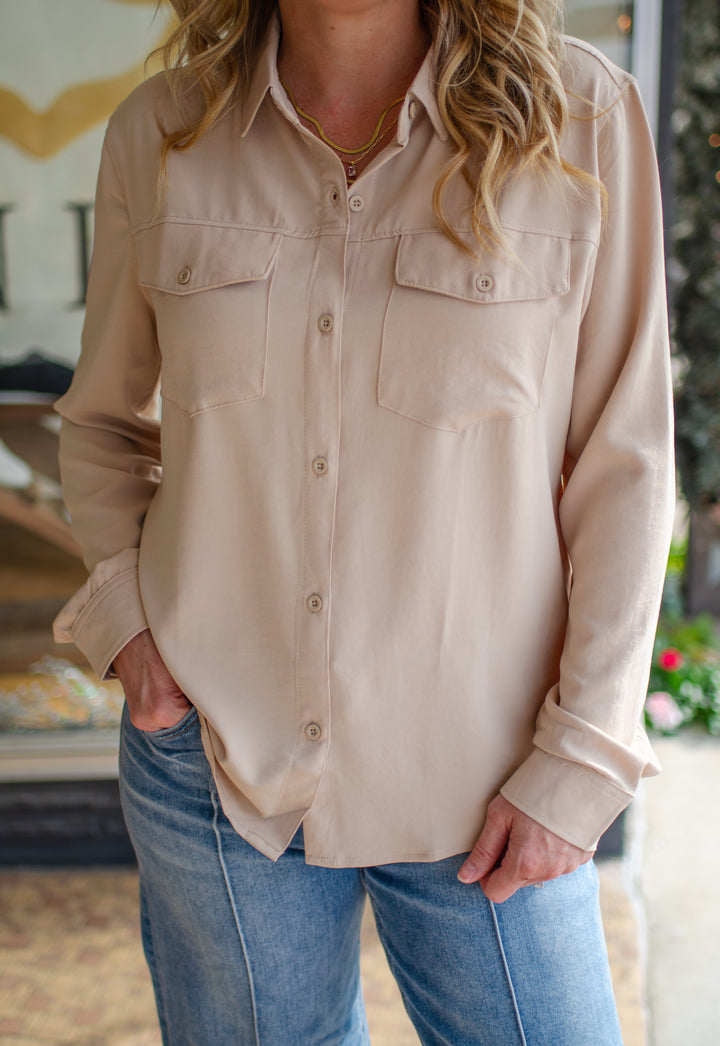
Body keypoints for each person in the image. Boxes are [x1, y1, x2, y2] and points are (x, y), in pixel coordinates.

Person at [53, 1, 674, 1042]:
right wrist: (130, 628)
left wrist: (582, 756)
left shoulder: (582, 119)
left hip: (491, 772)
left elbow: (626, 463)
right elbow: (104, 425)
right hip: (218, 760)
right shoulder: (162, 133)